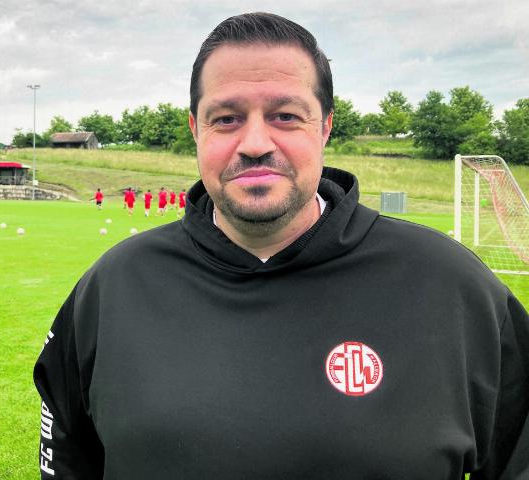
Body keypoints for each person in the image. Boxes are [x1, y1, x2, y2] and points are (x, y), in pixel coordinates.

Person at [34, 12, 529, 479]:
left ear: (326, 126)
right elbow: (69, 456)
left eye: (286, 116)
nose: (254, 142)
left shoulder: (451, 286)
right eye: (226, 118)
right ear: (194, 130)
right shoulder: (115, 285)